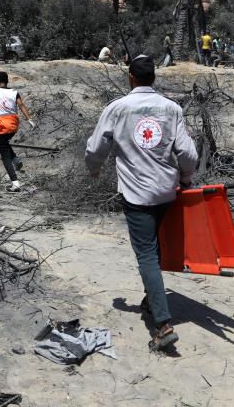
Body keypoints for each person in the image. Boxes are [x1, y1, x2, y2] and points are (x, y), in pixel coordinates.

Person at [85, 54, 198, 352]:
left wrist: (94, 168)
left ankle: (162, 324)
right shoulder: (172, 109)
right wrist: (185, 180)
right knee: (156, 247)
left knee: (146, 253)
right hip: (166, 191)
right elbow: (187, 153)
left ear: (131, 78)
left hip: (137, 194)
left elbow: (97, 147)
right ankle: (152, 298)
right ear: (153, 78)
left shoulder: (117, 108)